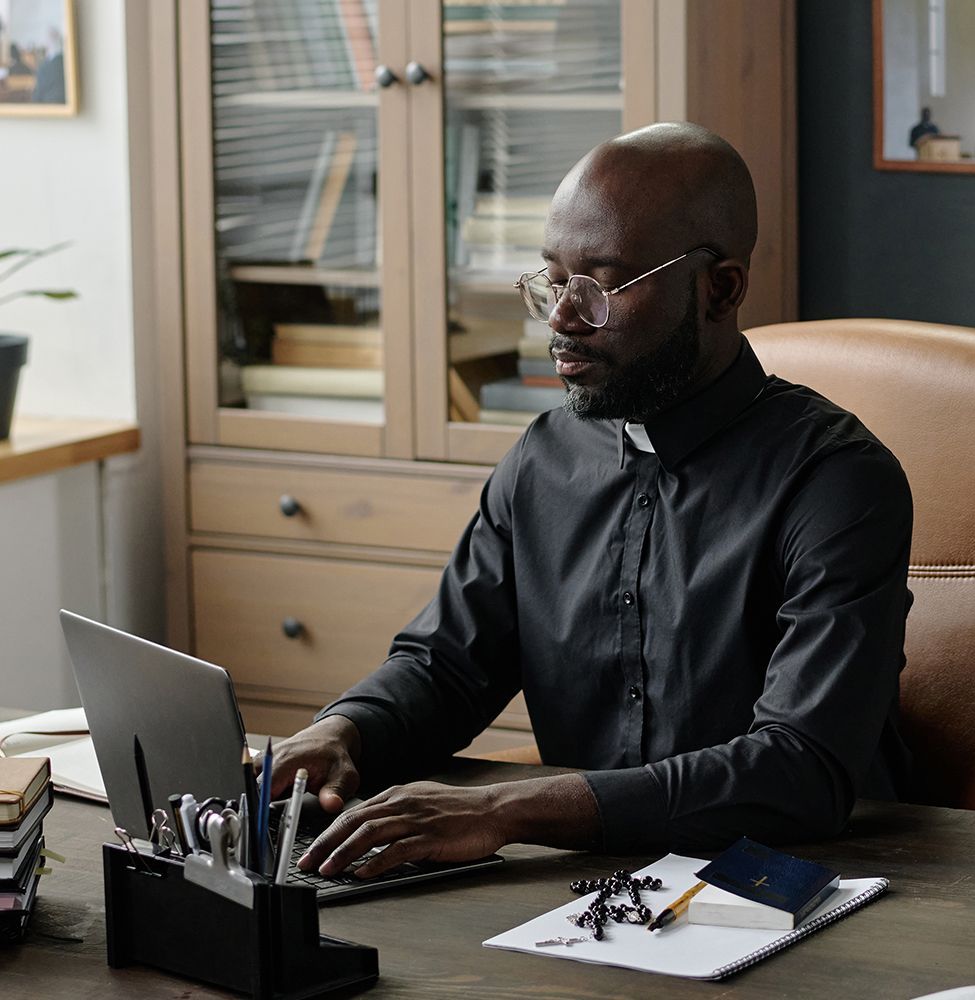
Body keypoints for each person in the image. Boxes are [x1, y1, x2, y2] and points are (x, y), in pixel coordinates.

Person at [266, 122, 913, 880]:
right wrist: (345, 731)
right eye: (552, 279)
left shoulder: (837, 480)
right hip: (590, 887)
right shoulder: (544, 457)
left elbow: (799, 768)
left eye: (603, 284)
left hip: (799, 881)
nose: (562, 318)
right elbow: (447, 669)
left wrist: (504, 811)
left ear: (721, 287)